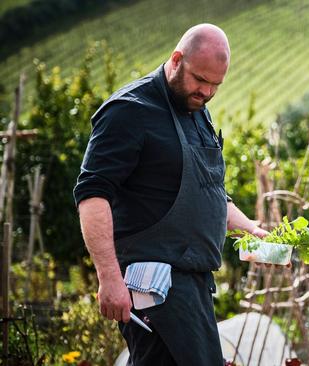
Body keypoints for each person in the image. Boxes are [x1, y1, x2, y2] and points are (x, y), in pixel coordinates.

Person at [73, 24, 267, 365]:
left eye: (215, 85)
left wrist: (251, 229)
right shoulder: (130, 111)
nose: (206, 91)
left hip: (195, 283)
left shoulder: (196, 112)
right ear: (177, 59)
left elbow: (210, 193)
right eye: (200, 80)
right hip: (154, 286)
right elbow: (92, 195)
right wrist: (109, 279)